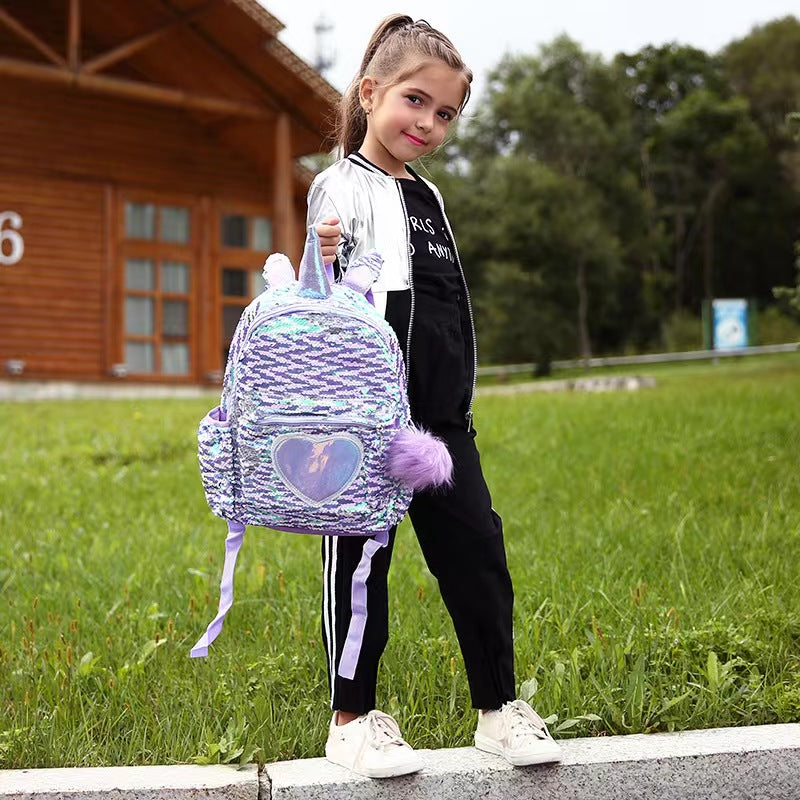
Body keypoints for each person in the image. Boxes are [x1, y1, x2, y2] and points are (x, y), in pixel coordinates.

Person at [307, 14, 562, 779]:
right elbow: (316, 306)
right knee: (360, 567)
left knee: (478, 552)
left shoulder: (432, 197)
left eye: (446, 113)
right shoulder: (340, 185)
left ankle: (497, 709)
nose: (429, 123)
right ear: (371, 92)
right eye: (415, 102)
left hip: (443, 425)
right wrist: (322, 258)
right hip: (364, 422)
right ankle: (351, 719)